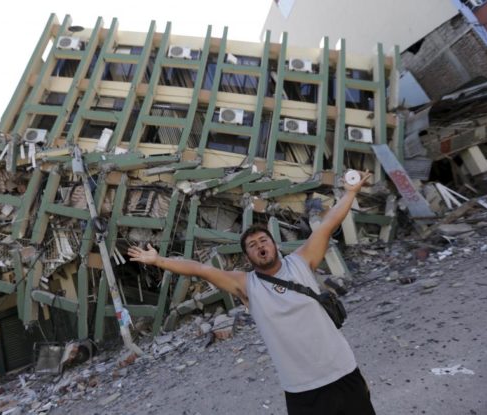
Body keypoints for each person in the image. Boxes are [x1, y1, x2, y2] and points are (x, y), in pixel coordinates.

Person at [127, 172, 375, 415]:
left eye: (263, 241)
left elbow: (329, 223)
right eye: (253, 246)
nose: (260, 246)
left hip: (343, 371)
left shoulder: (301, 262)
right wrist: (160, 260)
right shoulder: (247, 285)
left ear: (275, 245)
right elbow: (199, 269)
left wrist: (350, 192)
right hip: (302, 389)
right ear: (248, 257)